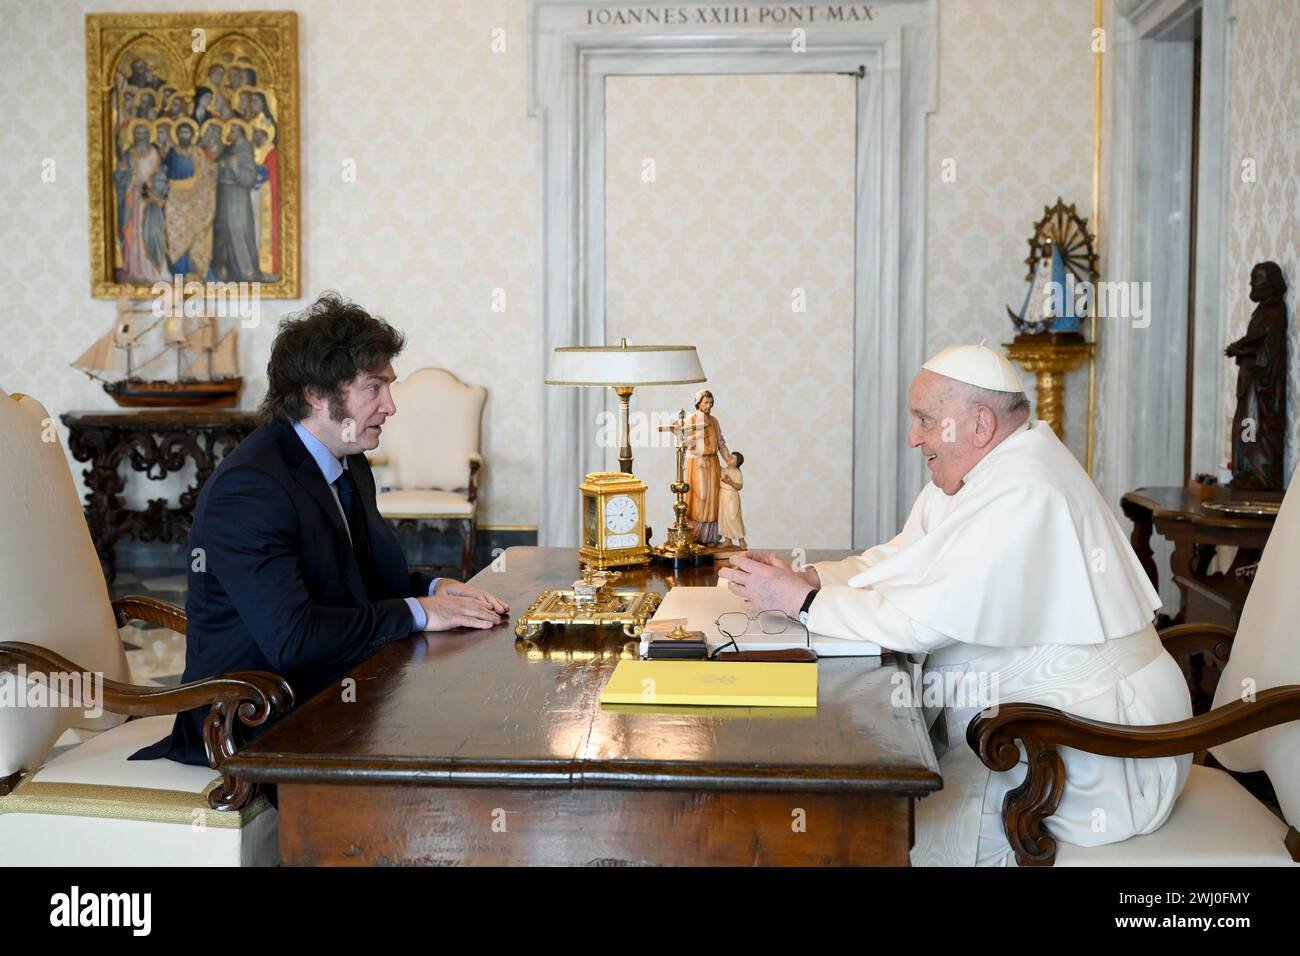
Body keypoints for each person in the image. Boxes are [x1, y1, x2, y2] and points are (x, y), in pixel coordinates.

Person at [719, 343, 1193, 866]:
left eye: (924, 420)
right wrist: (810, 578)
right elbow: (900, 561)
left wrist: (804, 602)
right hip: (1036, 724)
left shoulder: (1026, 490)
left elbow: (920, 621)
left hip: (1100, 749)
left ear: (979, 425)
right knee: (877, 806)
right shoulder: (977, 476)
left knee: (896, 829)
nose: (912, 437)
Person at [133, 294, 508, 767]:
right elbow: (296, 638)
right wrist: (419, 611)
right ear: (316, 394)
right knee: (450, 744)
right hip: (254, 719)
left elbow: (361, 583)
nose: (391, 406)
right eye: (375, 388)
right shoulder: (250, 489)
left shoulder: (350, 462)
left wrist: (439, 589)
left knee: (469, 715)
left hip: (333, 688)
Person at [684, 389, 730, 544]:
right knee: (701, 496)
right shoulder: (692, 419)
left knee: (714, 497)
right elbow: (684, 440)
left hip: (713, 462)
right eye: (705, 402)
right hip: (698, 461)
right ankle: (696, 535)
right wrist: (698, 435)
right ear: (698, 403)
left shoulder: (714, 421)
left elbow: (721, 443)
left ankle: (710, 537)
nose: (709, 406)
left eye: (711, 403)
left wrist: (728, 459)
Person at [718, 450, 746, 548]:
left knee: (733, 517)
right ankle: (727, 540)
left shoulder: (737, 473)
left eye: (733, 458)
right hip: (723, 495)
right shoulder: (724, 470)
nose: (729, 458)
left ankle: (741, 540)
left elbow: (739, 486)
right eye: (730, 456)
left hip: (732, 496)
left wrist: (730, 482)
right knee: (724, 517)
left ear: (738, 462)